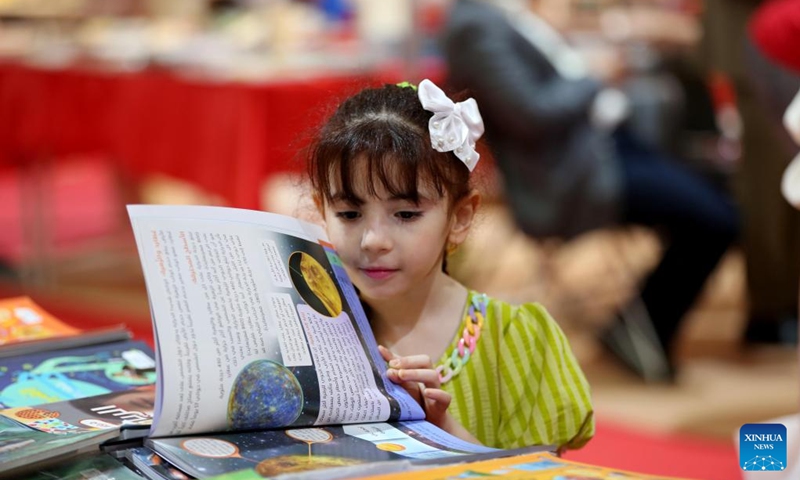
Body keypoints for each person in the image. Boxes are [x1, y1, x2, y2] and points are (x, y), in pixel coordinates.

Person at [440, 0, 740, 382]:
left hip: (606, 150)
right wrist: (593, 76)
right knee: (717, 219)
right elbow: (531, 114)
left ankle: (641, 324)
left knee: (719, 191)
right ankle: (639, 329)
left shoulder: (502, 14)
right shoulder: (475, 26)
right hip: (571, 179)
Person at [304, 79, 594, 451]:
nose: (373, 240)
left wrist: (440, 428)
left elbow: (539, 474)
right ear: (321, 209)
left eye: (406, 214)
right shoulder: (311, 328)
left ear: (459, 217)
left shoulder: (515, 342)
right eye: (348, 213)